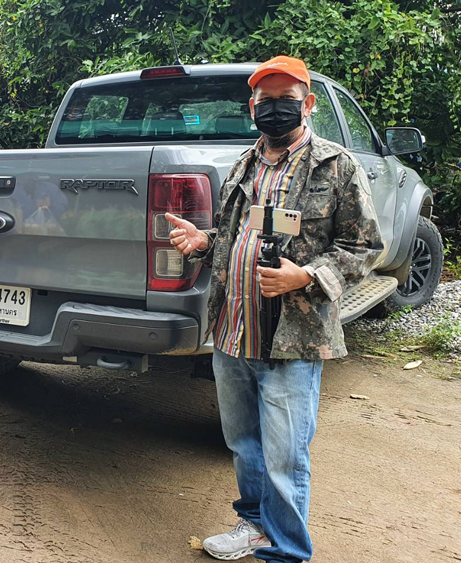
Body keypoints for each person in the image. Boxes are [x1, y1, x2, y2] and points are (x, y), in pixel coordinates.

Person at [168, 56, 381, 563]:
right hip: (233, 331)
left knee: (286, 455)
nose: (275, 110)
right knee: (243, 443)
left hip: (293, 337)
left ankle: (286, 551)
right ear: (252, 107)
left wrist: (304, 276)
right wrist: (204, 240)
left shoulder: (337, 166)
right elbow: (236, 235)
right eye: (266, 102)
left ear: (307, 104)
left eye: (286, 100)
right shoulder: (243, 164)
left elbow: (364, 247)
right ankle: (255, 526)